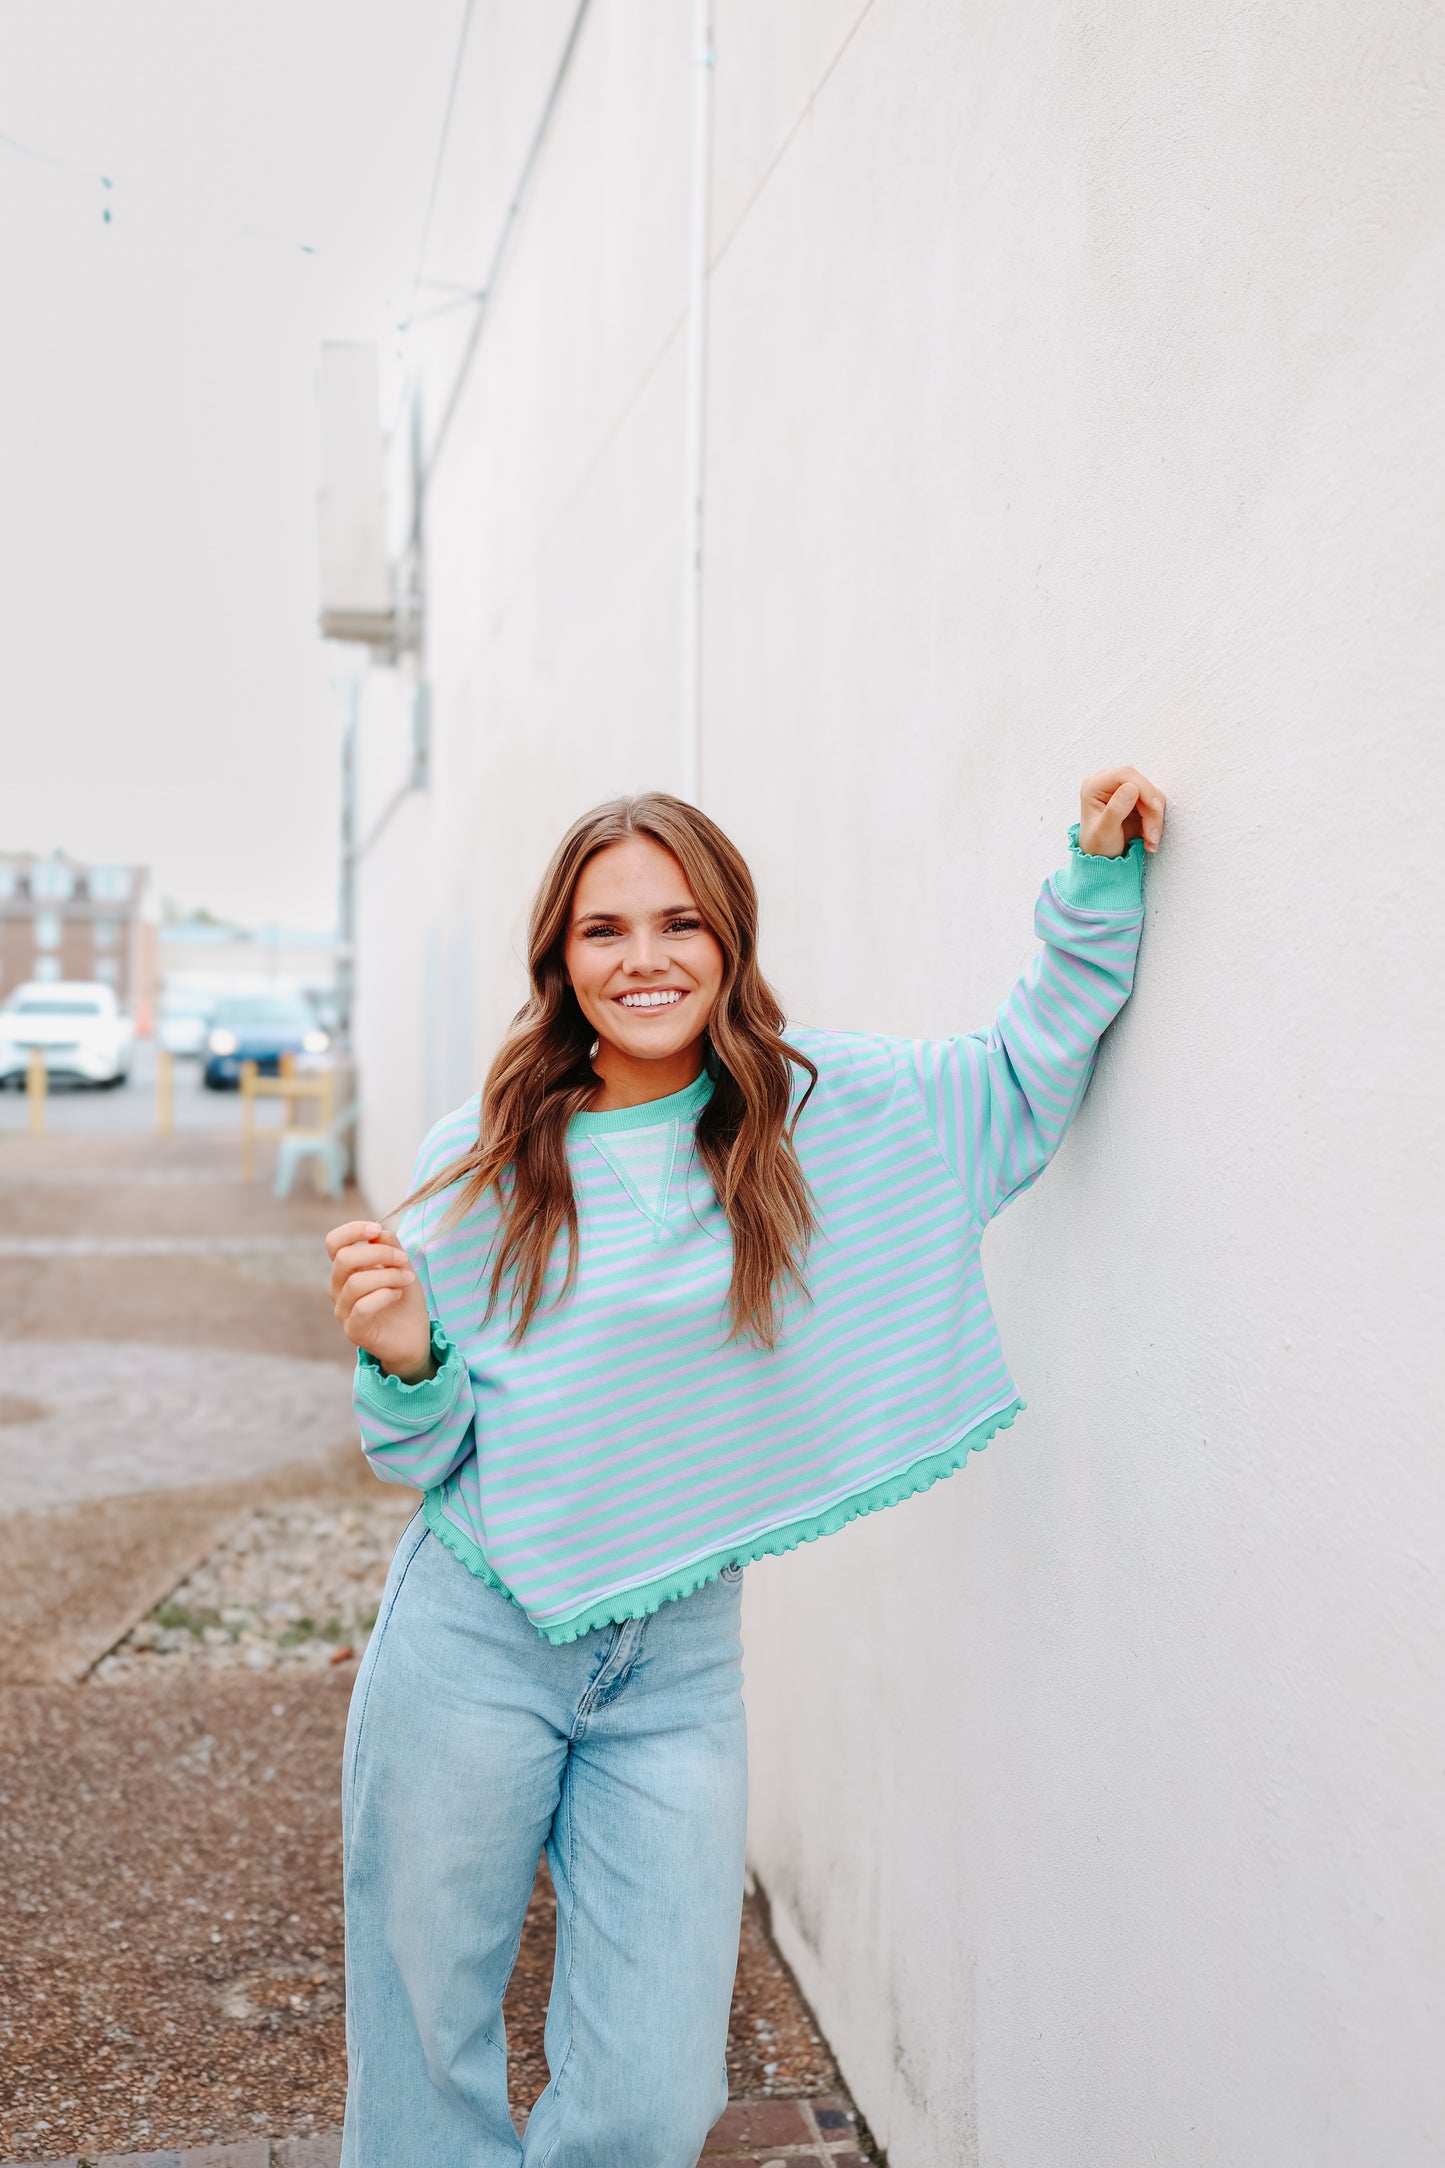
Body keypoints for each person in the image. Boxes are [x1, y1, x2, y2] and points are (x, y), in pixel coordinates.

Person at [327, 766, 1166, 2167]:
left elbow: (1023, 1078)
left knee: (652, 2099)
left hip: (674, 1665)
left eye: (678, 923)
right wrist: (404, 1353)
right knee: (426, 2054)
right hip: (471, 1639)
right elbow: (419, 1451)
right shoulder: (480, 1159)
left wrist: (1092, 879)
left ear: (728, 942)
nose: (643, 958)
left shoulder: (821, 1114)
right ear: (560, 958)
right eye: (604, 930)